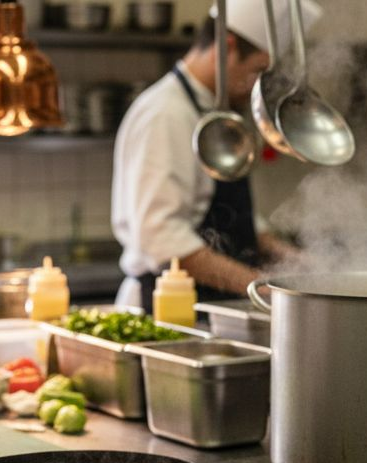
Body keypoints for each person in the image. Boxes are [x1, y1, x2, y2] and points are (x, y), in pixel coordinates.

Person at [112, 0, 321, 311]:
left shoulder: (212, 112)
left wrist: (302, 263)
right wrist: (260, 288)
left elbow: (230, 216)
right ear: (226, 46)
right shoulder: (166, 113)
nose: (256, 87)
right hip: (171, 311)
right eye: (256, 71)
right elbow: (162, 239)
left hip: (209, 307)